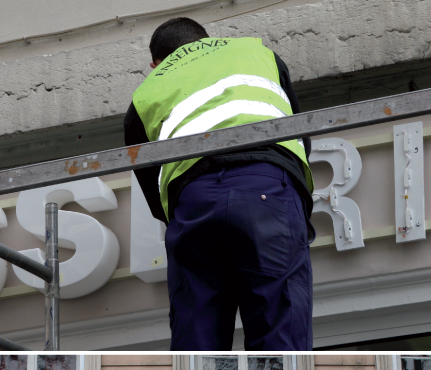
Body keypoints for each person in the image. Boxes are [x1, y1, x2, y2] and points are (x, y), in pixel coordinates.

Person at [127, 18, 314, 351]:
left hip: (193, 199)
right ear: (208, 40)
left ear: (155, 64)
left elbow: (153, 192)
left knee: (196, 337)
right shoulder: (257, 55)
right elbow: (298, 131)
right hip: (266, 182)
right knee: (279, 326)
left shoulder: (144, 94)